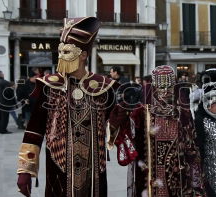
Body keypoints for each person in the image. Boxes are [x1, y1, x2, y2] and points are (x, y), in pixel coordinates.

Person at [16, 17, 135, 197]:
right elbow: (34, 129)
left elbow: (117, 127)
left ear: (83, 55)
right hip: (59, 167)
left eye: (67, 52)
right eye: (60, 52)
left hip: (94, 170)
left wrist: (123, 118)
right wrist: (25, 169)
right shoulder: (49, 86)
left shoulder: (104, 87)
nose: (61, 57)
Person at [122, 65, 205, 197]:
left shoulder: (182, 110)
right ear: (155, 87)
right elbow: (132, 134)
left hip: (178, 169)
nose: (165, 91)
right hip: (152, 167)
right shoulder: (144, 111)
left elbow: (191, 140)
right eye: (161, 87)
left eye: (169, 86)